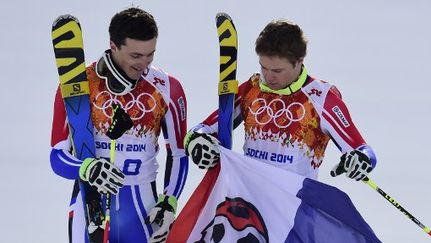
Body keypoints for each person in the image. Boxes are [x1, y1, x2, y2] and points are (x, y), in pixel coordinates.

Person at [50, 7, 188, 243]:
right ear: (113, 45)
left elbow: (178, 153)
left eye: (150, 55)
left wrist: (169, 202)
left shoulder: (167, 88)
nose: (144, 64)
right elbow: (57, 156)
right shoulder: (79, 84)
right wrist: (88, 169)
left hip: (143, 209)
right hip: (89, 207)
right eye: (136, 56)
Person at [185, 19, 376, 182]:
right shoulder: (252, 89)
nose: (268, 77)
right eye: (263, 67)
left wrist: (361, 160)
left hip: (293, 208)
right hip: (249, 203)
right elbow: (201, 129)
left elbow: (363, 150)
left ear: (299, 61)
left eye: (277, 71)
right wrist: (197, 142)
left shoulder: (322, 98)